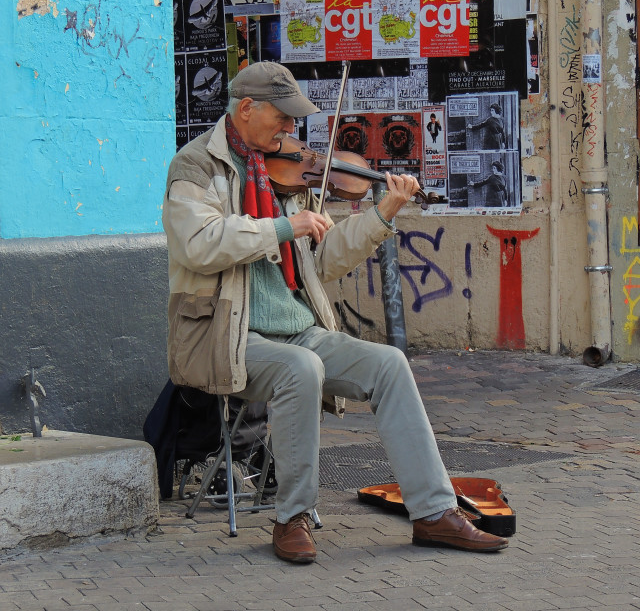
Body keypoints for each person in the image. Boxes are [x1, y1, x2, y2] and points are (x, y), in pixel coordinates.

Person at [162, 61, 509, 563]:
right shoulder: (195, 166)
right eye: (282, 117)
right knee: (301, 369)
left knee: (388, 364)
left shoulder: (283, 174)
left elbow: (319, 262)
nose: (290, 129)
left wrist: (381, 214)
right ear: (245, 109)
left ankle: (433, 513)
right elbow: (198, 244)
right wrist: (283, 228)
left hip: (297, 329)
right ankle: (292, 516)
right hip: (227, 336)